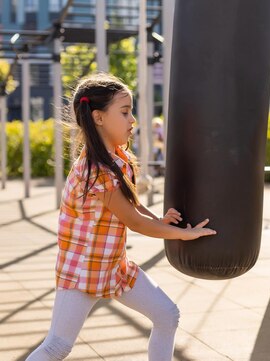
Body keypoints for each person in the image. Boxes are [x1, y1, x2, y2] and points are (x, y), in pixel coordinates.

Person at [26, 73, 216, 361]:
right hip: (82, 272)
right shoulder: (95, 170)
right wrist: (182, 234)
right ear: (99, 118)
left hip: (114, 267)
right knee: (58, 346)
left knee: (167, 315)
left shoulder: (118, 158)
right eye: (125, 112)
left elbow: (135, 207)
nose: (133, 120)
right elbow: (134, 222)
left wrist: (161, 220)